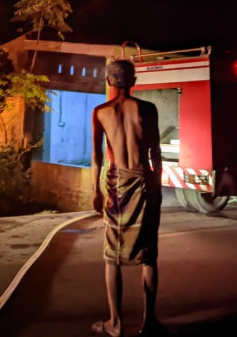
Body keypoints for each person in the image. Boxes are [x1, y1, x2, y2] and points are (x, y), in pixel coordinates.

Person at [91, 60, 163, 337]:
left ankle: (116, 323)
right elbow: (155, 153)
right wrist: (155, 187)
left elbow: (97, 157)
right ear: (133, 81)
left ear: (110, 81)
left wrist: (95, 191)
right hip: (145, 184)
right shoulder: (148, 109)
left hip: (117, 189)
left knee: (112, 258)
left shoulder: (100, 112)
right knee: (149, 257)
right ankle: (150, 323)